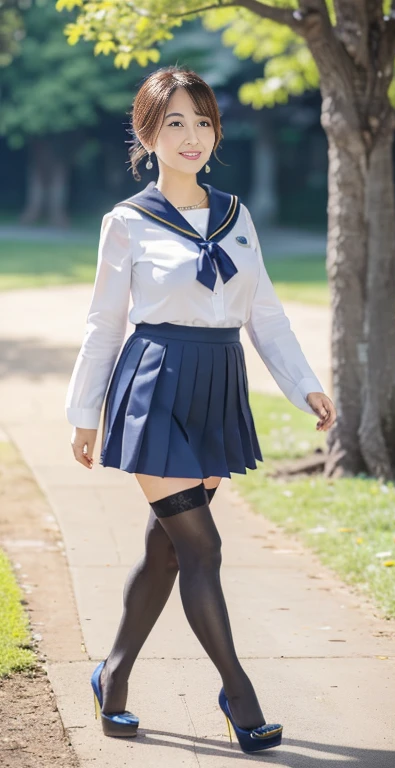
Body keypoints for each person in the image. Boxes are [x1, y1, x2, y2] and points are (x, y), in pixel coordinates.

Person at [65, 65, 336, 753]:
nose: (192, 136)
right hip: (154, 386)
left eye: (203, 121)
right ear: (148, 133)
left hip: (217, 388)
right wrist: (85, 414)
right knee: (201, 547)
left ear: (217, 131)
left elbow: (265, 315)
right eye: (175, 122)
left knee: (168, 552)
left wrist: (304, 383)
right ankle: (239, 696)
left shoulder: (237, 216)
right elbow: (104, 323)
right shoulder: (126, 222)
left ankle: (112, 676)